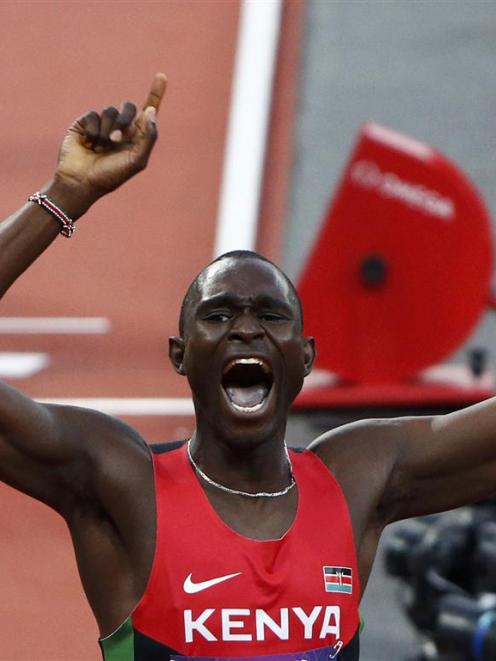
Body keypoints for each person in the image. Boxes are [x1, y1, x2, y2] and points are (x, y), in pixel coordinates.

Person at [1, 73, 496, 661]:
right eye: (218, 315)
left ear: (305, 358)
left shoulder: (357, 480)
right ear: (179, 356)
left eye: (269, 314)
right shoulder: (123, 483)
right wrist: (66, 193)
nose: (245, 328)